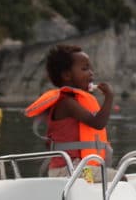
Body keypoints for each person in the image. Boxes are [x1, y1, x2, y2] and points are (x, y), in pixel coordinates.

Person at [25, 44, 114, 179]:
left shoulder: (73, 101)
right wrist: (109, 97)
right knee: (120, 178)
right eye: (85, 69)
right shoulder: (67, 103)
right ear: (67, 75)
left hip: (76, 169)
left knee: (109, 176)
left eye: (90, 68)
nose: (91, 73)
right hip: (69, 171)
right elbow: (98, 123)